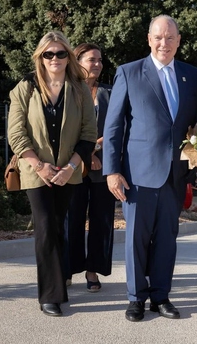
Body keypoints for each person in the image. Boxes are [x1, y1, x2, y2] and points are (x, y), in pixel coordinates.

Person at [102, 15, 197, 322]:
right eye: (158, 37)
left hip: (176, 174)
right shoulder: (129, 72)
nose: (164, 43)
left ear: (178, 41)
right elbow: (114, 126)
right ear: (149, 39)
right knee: (136, 238)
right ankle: (136, 298)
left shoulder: (191, 74)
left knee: (166, 238)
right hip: (138, 174)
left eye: (170, 38)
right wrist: (111, 170)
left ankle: (161, 296)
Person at [7, 31, 97, 316]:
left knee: (59, 226)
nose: (54, 58)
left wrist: (69, 166)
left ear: (68, 56)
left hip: (67, 172)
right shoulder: (25, 87)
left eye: (60, 53)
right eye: (49, 54)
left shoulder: (79, 88)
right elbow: (16, 133)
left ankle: (59, 287)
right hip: (37, 171)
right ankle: (50, 295)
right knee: (45, 227)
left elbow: (89, 133)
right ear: (40, 57)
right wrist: (40, 165)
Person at [65, 43, 115, 292]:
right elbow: (62, 130)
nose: (97, 64)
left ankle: (93, 271)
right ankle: (67, 269)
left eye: (100, 59)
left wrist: (97, 148)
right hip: (71, 167)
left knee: (101, 221)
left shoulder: (111, 92)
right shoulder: (67, 91)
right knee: (71, 220)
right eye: (91, 59)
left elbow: (119, 126)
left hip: (104, 167)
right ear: (78, 61)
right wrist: (85, 155)